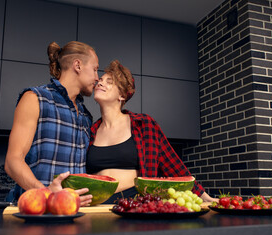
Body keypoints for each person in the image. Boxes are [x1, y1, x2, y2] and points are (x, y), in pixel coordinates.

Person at [86, 60, 218, 203]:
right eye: (100, 79)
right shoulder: (91, 130)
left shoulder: (143, 124)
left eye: (109, 81)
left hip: (134, 201)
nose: (100, 83)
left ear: (122, 95)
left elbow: (172, 163)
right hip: (96, 203)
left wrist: (205, 197)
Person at [4, 41, 98, 206]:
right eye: (95, 69)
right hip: (35, 211)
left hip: (73, 211)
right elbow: (13, 162)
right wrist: (47, 195)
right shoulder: (36, 98)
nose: (97, 78)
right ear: (78, 65)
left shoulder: (85, 115)